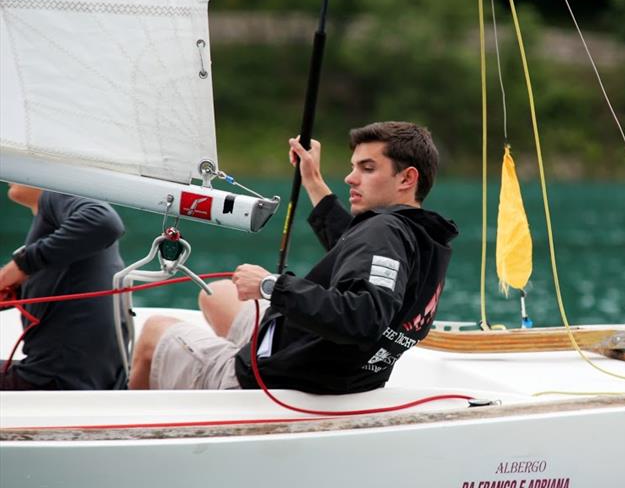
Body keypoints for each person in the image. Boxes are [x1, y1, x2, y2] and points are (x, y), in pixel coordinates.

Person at [130, 121, 458, 394]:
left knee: (153, 332)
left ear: (407, 178)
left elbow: (364, 319)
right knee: (217, 293)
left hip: (275, 379)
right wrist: (312, 180)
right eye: (353, 166)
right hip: (332, 366)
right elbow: (360, 253)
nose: (350, 177)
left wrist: (271, 286)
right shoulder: (423, 235)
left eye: (367, 168)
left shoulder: (384, 231)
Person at [0, 184, 126, 390]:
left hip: (53, 383)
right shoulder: (63, 225)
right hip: (91, 381)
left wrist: (22, 265)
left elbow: (104, 222)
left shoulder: (57, 190)